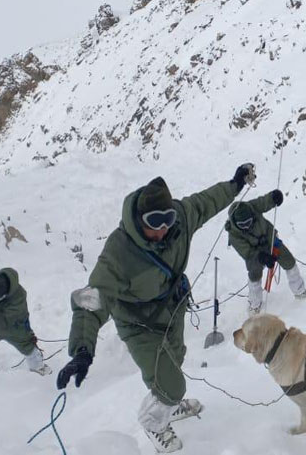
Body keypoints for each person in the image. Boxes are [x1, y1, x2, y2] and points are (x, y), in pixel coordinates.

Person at [56, 166, 254, 453]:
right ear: (138, 219)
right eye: (154, 221)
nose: (162, 228)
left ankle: (167, 405)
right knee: (172, 385)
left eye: (167, 219)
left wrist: (235, 184)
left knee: (176, 361)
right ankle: (153, 421)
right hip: (137, 324)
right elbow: (93, 298)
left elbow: (207, 201)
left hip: (171, 309)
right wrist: (82, 349)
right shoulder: (118, 252)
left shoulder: (180, 219)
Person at [225, 190, 306, 315]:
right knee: (254, 274)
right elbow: (247, 253)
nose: (246, 226)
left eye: (248, 222)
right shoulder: (233, 234)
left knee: (289, 261)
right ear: (235, 222)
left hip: (270, 240)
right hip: (254, 254)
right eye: (242, 225)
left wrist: (274, 197)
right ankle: (255, 304)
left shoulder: (252, 207)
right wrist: (263, 257)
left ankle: (300, 291)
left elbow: (264, 201)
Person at [0, 267, 51, 376]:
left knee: (28, 348)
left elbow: (7, 320)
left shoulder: (19, 295)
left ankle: (39, 369)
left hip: (15, 327)